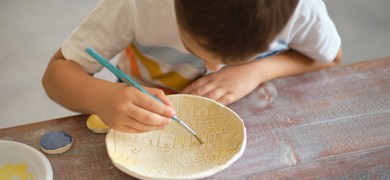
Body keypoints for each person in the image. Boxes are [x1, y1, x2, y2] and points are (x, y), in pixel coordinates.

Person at [42, 0, 342, 133]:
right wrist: (102, 98)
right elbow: (56, 75)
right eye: (196, 49)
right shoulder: (136, 5)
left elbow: (330, 57)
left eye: (237, 57)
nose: (214, 68)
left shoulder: (302, 9)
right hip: (143, 118)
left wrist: (257, 71)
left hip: (258, 120)